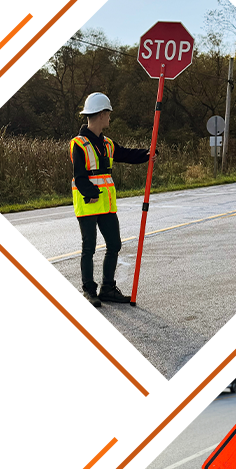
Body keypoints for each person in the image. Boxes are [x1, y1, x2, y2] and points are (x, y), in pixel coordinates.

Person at [70, 92, 155, 308]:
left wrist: (147, 154)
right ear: (101, 114)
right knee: (89, 247)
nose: (110, 118)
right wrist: (90, 193)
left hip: (107, 205)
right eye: (108, 113)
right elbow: (79, 176)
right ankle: (89, 290)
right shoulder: (78, 144)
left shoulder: (107, 143)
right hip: (88, 203)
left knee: (114, 244)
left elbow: (125, 154)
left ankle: (107, 288)